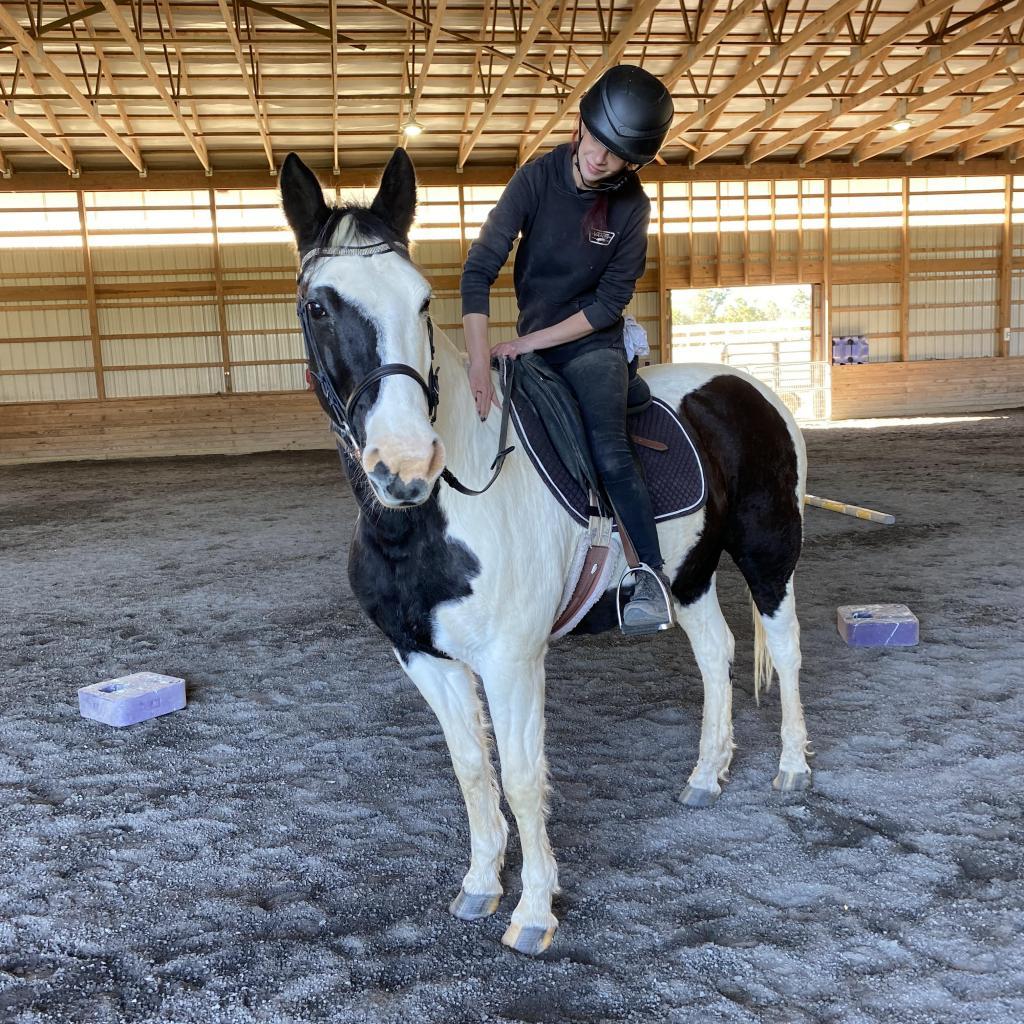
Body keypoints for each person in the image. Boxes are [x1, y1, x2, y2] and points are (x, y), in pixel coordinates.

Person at [460, 64, 676, 635]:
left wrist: (525, 341)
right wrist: (480, 361)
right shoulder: (535, 180)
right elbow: (479, 269)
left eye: (616, 154)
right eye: (596, 141)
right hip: (522, 346)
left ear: (632, 161)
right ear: (581, 125)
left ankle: (649, 578)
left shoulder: (631, 207)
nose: (600, 159)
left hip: (589, 346)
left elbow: (608, 305)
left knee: (609, 452)